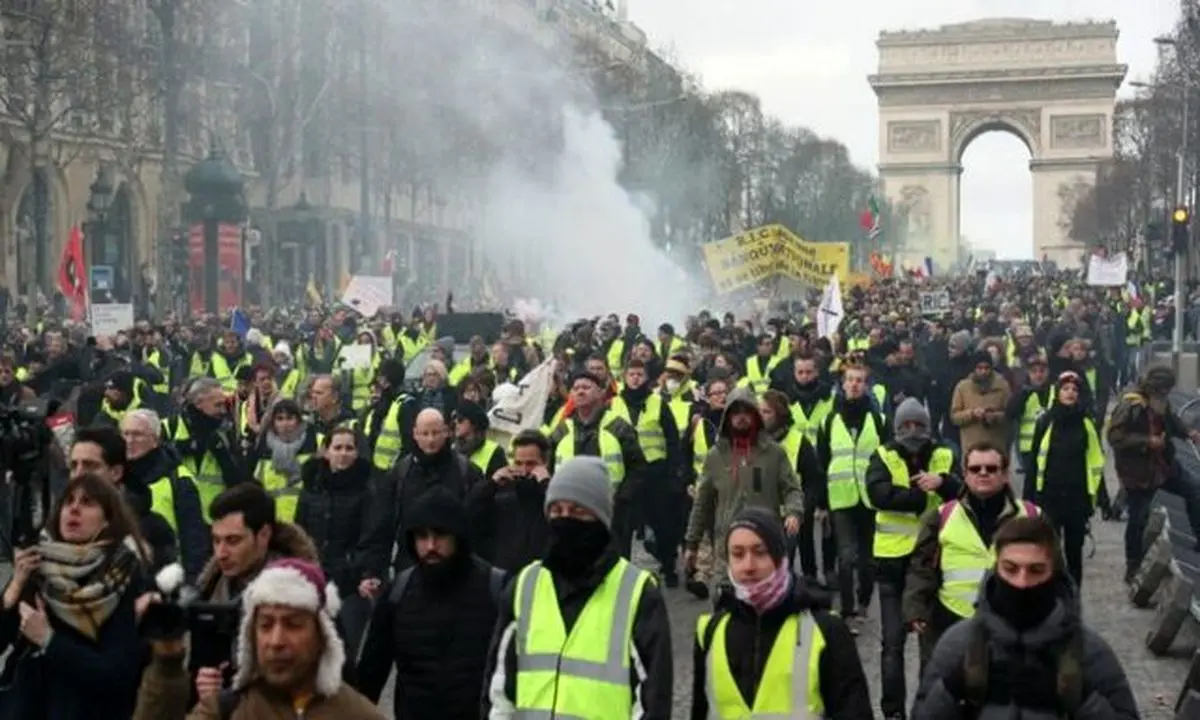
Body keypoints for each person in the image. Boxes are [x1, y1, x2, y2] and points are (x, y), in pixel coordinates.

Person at [481, 456, 673, 719]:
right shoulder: (524, 586)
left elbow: (653, 702)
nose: (565, 519)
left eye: (578, 511)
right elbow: (499, 691)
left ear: (602, 518)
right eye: (556, 511)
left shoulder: (637, 593)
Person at [912, 515, 1139, 720]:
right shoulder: (959, 643)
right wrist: (951, 689)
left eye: (1036, 570)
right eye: (1011, 569)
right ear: (995, 570)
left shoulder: (1088, 650)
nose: (1022, 582)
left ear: (1054, 574)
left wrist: (1081, 699)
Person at [136, 558, 385, 719]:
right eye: (265, 625)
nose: (276, 641)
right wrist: (167, 663)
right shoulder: (228, 711)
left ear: (322, 635)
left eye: (293, 625)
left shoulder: (357, 715)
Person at [690, 507, 873, 719]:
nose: (748, 566)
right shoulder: (711, 632)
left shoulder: (826, 630)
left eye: (760, 552)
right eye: (738, 554)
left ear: (779, 557)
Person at [0, 474, 149, 720]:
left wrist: (49, 640)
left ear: (107, 520)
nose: (74, 509)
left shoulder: (122, 577)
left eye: (87, 503)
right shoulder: (39, 567)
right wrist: (14, 588)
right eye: (68, 502)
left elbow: (117, 676)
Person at [357, 486, 502, 719]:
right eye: (422, 537)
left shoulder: (495, 589)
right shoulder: (399, 593)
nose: (431, 546)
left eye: (441, 535)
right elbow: (370, 676)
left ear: (458, 536)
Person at [865, 398, 960, 720]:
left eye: (918, 425)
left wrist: (943, 482)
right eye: (906, 426)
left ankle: (927, 707)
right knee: (892, 644)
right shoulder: (883, 455)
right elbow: (877, 495)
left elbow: (965, 491)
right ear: (896, 427)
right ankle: (893, 712)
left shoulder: (945, 455)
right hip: (891, 561)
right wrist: (920, 496)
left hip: (933, 562)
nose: (913, 432)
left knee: (929, 645)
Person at [903, 443, 1039, 668]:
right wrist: (915, 608)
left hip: (1014, 624)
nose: (983, 473)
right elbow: (921, 567)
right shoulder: (940, 517)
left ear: (1005, 475)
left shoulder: (1031, 517)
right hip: (951, 624)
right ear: (965, 475)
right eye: (975, 469)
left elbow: (1053, 573)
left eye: (991, 468)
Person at [683, 387, 804, 595]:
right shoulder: (716, 457)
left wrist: (794, 512)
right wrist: (691, 544)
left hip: (765, 546)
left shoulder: (774, 453)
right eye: (736, 412)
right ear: (728, 417)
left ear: (755, 415)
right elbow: (701, 503)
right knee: (726, 609)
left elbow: (792, 489)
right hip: (728, 549)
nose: (741, 418)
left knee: (767, 609)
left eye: (746, 412)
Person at [1107, 365, 1200, 582]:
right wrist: (1147, 442)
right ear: (1156, 389)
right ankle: (1133, 568)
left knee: (1194, 490)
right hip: (1138, 473)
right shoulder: (1132, 405)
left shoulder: (1160, 402)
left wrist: (1188, 433)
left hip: (1163, 467)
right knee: (1138, 520)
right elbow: (1115, 437)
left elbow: (1171, 420)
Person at [294, 426, 374, 657]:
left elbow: (371, 537)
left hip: (350, 585)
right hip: (314, 581)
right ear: (326, 451)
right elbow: (299, 532)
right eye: (337, 447)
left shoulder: (368, 490)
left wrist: (362, 573)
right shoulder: (311, 488)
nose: (343, 453)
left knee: (344, 654)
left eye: (349, 448)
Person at [1029, 371, 1104, 587]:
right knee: (1049, 551)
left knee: (1074, 554)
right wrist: (1029, 499)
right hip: (1049, 497)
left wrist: (1101, 499)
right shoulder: (1045, 421)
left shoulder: (1086, 423)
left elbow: (1096, 460)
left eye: (1074, 390)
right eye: (1066, 389)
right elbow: (1034, 462)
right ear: (1057, 392)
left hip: (1076, 498)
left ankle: (1073, 598)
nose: (1070, 393)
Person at [467, 429, 553, 573]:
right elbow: (470, 517)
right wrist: (490, 485)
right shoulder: (502, 499)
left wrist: (546, 484)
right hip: (505, 582)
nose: (524, 471)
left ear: (545, 463)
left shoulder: (553, 503)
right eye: (518, 463)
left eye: (531, 464)